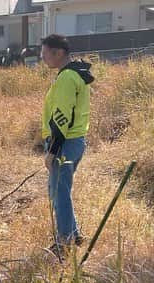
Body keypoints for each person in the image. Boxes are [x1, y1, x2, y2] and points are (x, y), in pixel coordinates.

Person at [40, 34, 95, 256]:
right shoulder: (74, 75)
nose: (43, 58)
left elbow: (62, 117)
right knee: (60, 190)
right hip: (76, 141)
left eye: (45, 54)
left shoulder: (66, 78)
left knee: (58, 193)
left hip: (65, 143)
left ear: (58, 53)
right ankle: (73, 232)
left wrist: (52, 151)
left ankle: (64, 242)